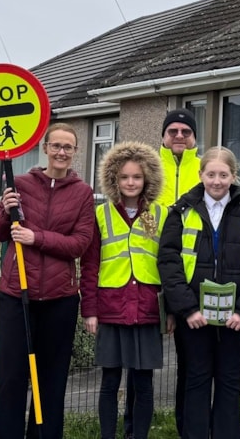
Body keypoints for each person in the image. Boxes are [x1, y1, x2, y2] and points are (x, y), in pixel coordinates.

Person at [158, 146, 240, 439]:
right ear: (200, 175)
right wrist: (187, 309)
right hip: (194, 316)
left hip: (235, 318)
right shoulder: (180, 212)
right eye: (211, 174)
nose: (217, 181)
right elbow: (169, 263)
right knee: (195, 379)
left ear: (234, 177)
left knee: (228, 380)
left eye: (224, 175)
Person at [0, 123, 96, 439]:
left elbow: (80, 243)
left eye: (68, 147)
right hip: (16, 295)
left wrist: (36, 237)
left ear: (75, 152)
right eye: (56, 145)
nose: (62, 152)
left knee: (50, 379)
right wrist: (6, 209)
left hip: (58, 299)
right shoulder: (19, 183)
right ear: (45, 148)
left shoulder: (82, 193)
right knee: (12, 377)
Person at [80, 142, 172, 439]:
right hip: (111, 309)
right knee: (109, 381)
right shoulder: (100, 214)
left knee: (144, 383)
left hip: (147, 310)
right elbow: (90, 265)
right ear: (114, 180)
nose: (130, 183)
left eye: (137, 177)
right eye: (124, 177)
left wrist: (171, 311)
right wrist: (90, 311)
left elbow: (171, 267)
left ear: (147, 180)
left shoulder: (162, 214)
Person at [156, 108, 200, 437]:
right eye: (173, 130)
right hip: (147, 274)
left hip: (189, 278)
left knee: (192, 362)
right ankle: (134, 425)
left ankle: (188, 424)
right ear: (163, 136)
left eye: (186, 131)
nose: (180, 136)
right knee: (141, 361)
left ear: (195, 137)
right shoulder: (147, 166)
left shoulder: (205, 169)